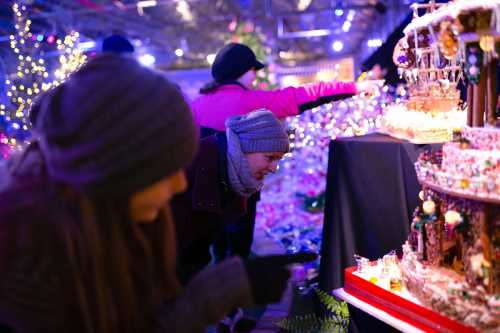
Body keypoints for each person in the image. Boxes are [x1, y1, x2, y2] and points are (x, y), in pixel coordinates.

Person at [0, 54, 316, 333]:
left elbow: (141, 318)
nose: (180, 185)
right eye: (165, 171)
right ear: (116, 169)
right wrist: (212, 294)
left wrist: (223, 287)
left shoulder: (117, 221)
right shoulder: (27, 267)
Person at [191, 42, 373, 266]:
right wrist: (353, 88)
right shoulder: (252, 101)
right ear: (242, 71)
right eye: (253, 71)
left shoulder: (196, 104)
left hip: (205, 192)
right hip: (241, 196)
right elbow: (303, 96)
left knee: (216, 249)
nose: (255, 77)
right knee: (238, 251)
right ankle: (236, 291)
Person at [171, 109, 292, 332]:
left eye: (278, 160)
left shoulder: (232, 177)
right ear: (245, 149)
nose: (275, 168)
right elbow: (177, 247)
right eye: (270, 157)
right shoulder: (199, 162)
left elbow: (197, 249)